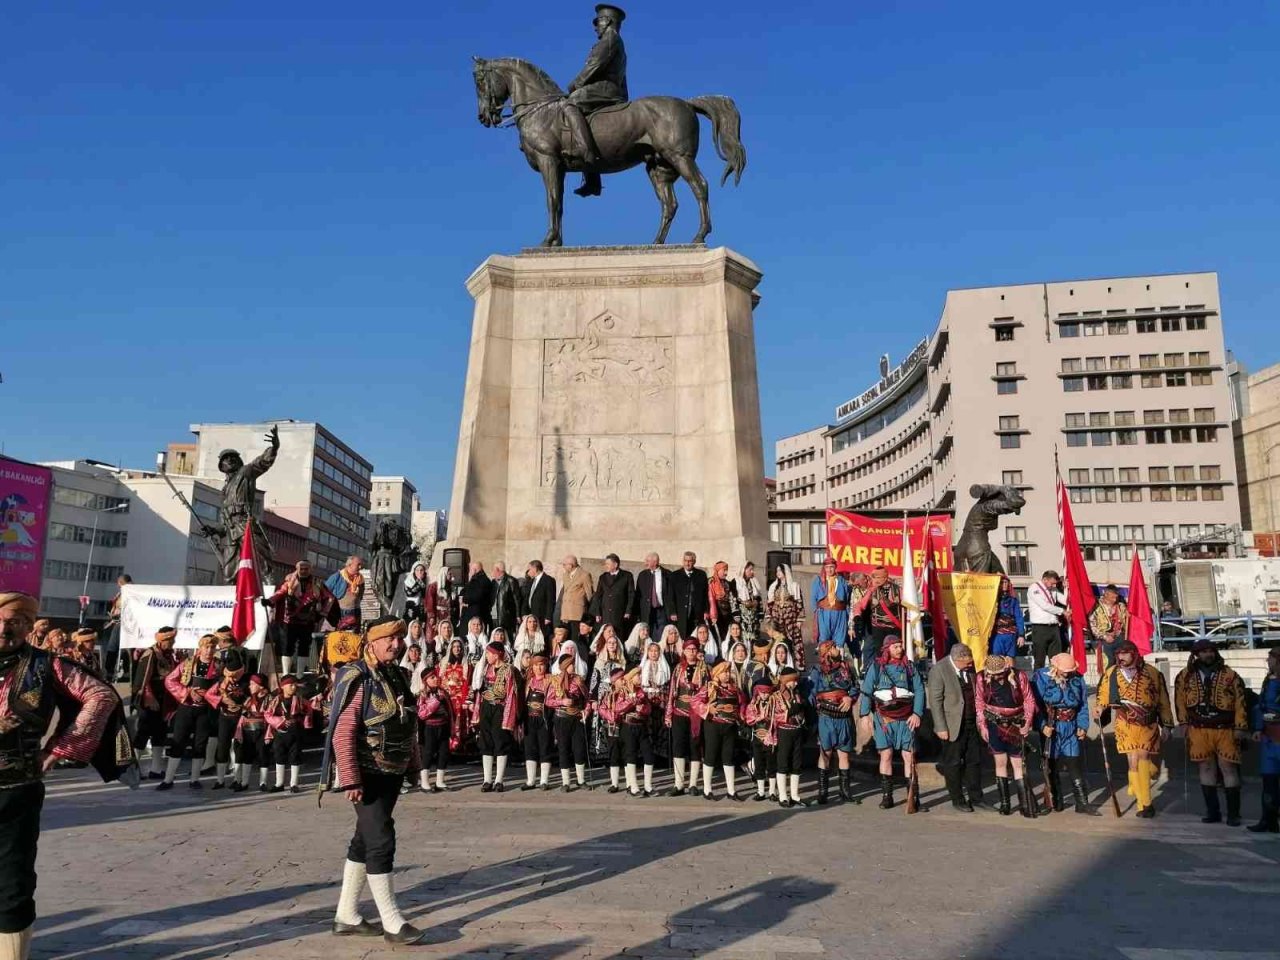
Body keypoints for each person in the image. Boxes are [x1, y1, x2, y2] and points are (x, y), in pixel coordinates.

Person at [0, 593, 122, 960]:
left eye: (16, 621)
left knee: (12, 883)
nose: (6, 628)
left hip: (15, 789)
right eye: (1, 620)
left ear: (28, 626)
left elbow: (101, 697)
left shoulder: (47, 665)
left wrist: (59, 749)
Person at [322, 616, 424, 945]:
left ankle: (347, 915)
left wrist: (413, 764)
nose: (397, 644)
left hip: (392, 771)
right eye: (390, 639)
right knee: (381, 840)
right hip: (366, 773)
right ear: (372, 642)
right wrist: (350, 778)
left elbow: (408, 723)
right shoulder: (357, 676)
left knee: (365, 840)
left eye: (399, 637)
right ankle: (392, 922)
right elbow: (344, 729)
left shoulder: (397, 674)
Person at [1095, 639, 1173, 818]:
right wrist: (1100, 707)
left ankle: (1143, 798)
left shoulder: (1152, 673)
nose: (1121, 657)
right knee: (1133, 761)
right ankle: (1142, 798)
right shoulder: (1111, 673)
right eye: (1118, 654)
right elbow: (1104, 694)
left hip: (1148, 722)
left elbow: (1163, 700)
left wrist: (1167, 725)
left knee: (1142, 758)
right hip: (1124, 722)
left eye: (1125, 653)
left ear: (1135, 654)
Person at [1175, 638, 1249, 826]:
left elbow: (1241, 702)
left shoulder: (1230, 675)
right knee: (1205, 768)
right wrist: (1183, 723)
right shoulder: (1185, 676)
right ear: (1196, 654)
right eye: (1204, 651)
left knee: (1228, 768)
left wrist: (1241, 726)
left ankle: (1234, 814)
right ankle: (1213, 812)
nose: (1208, 654)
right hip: (1198, 728)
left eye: (1211, 651)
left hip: (1225, 728)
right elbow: (1180, 701)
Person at [563, 3, 628, 198]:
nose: (595, 26)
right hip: (610, 89)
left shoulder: (609, 40)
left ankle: (588, 155)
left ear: (607, 21)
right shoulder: (613, 40)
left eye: (598, 21)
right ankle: (593, 181)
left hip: (607, 89)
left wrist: (575, 85)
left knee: (570, 103)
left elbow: (594, 66)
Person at [860, 635, 924, 810]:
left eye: (900, 646)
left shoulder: (910, 667)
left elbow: (919, 689)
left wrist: (917, 713)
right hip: (884, 720)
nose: (899, 649)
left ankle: (913, 796)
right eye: (895, 646)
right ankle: (887, 796)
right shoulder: (877, 667)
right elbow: (866, 690)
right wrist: (864, 714)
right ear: (887, 648)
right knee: (886, 755)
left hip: (906, 719)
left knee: (908, 757)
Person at [927, 642, 987, 813]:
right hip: (952, 725)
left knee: (974, 761)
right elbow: (935, 701)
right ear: (957, 659)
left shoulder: (970, 669)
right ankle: (957, 799)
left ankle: (976, 798)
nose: (970, 665)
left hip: (971, 723)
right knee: (952, 763)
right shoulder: (939, 670)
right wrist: (940, 727)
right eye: (967, 662)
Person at [974, 655, 1037, 817]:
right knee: (1000, 762)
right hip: (994, 723)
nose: (997, 676)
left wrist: (1027, 723)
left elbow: (1029, 700)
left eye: (1000, 673)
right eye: (994, 674)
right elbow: (979, 703)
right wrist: (982, 725)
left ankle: (1025, 804)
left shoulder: (1019, 676)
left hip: (1016, 723)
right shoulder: (981, 677)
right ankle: (1005, 804)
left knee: (1018, 763)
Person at [1032, 652, 1094, 815]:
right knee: (1051, 765)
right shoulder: (1041, 677)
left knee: (1074, 763)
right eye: (1064, 670)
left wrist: (1082, 725)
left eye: (1069, 670)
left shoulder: (1078, 678)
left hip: (1071, 725)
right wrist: (1042, 725)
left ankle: (1082, 802)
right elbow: (1035, 706)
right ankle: (1055, 800)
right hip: (1052, 726)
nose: (1067, 673)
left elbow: (1082, 705)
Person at [159, 634, 220, 790]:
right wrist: (187, 692)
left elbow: (221, 686)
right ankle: (168, 779)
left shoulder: (219, 667)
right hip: (186, 708)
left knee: (200, 744)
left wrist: (207, 695)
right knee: (178, 741)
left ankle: (194, 779)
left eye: (212, 647)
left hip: (204, 710)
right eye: (206, 647)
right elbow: (170, 680)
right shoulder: (187, 664)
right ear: (200, 647)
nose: (209, 650)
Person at [808, 640, 860, 805]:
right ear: (827, 651)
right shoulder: (817, 671)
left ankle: (845, 792)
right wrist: (817, 705)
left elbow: (855, 687)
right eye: (835, 647)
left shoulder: (846, 668)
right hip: (826, 717)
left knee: (844, 753)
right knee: (826, 753)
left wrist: (849, 697)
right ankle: (823, 793)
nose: (839, 649)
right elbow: (812, 692)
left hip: (843, 717)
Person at [269, 561, 336, 676]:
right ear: (297, 569)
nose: (304, 571)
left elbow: (330, 597)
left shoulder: (317, 583)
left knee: (304, 647)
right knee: (287, 646)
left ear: (311, 569)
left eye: (306, 568)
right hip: (289, 620)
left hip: (308, 620)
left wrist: (323, 613)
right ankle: (286, 674)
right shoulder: (290, 581)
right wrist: (270, 600)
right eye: (302, 568)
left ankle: (300, 674)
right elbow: (281, 592)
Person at [692, 660, 746, 801]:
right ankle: (707, 789)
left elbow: (742, 704)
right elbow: (695, 702)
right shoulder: (710, 688)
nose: (726, 675)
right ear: (716, 673)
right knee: (710, 755)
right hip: (713, 725)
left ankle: (731, 791)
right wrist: (707, 709)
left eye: (728, 672)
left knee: (728, 757)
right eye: (723, 672)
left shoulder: (735, 689)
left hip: (730, 726)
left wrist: (740, 715)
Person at [131, 626, 179, 780]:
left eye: (172, 639)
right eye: (168, 640)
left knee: (160, 734)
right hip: (149, 700)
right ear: (161, 640)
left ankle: (156, 769)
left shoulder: (170, 655)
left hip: (163, 700)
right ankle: (133, 769)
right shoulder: (150, 654)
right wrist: (149, 698)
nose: (171, 642)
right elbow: (142, 679)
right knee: (143, 733)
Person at [472, 640, 518, 792]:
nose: (487, 656)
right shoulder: (486, 668)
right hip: (486, 706)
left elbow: (511, 692)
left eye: (489, 653)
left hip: (500, 707)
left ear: (497, 654)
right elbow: (480, 689)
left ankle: (499, 780)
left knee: (500, 741)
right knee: (486, 741)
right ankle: (487, 779)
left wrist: (509, 714)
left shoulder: (508, 669)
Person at [665, 639, 709, 796]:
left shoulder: (704, 669)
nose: (691, 651)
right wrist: (668, 714)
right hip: (679, 712)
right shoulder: (678, 669)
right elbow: (671, 692)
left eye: (694, 649)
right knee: (679, 746)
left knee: (695, 746)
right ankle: (678, 784)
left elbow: (708, 690)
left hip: (696, 714)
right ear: (683, 651)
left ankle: (693, 784)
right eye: (688, 649)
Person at [205, 647, 249, 790]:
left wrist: (243, 706)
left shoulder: (246, 682)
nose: (232, 678)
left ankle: (238, 778)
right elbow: (208, 695)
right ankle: (220, 780)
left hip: (240, 718)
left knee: (238, 748)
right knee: (222, 747)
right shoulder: (221, 682)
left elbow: (252, 698)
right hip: (225, 717)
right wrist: (222, 700)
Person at [547, 651, 591, 791]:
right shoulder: (555, 681)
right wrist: (561, 701)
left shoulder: (578, 680)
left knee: (579, 749)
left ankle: (581, 780)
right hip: (562, 718)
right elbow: (548, 701)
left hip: (577, 717)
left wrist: (586, 711)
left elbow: (587, 699)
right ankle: (566, 782)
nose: (573, 666)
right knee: (563, 749)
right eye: (571, 664)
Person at [265, 673, 314, 793]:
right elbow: (267, 714)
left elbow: (309, 709)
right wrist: (280, 721)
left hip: (296, 731)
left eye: (295, 685)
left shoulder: (300, 699)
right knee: (279, 756)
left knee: (295, 756)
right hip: (281, 732)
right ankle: (279, 783)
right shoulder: (276, 700)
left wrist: (306, 722)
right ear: (283, 686)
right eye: (291, 685)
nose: (294, 687)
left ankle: (294, 784)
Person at [1249, 646, 1280, 833]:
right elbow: (1261, 706)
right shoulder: (1268, 680)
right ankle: (1268, 820)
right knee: (1268, 780)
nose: (1268, 662)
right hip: (1269, 737)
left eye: (1270, 659)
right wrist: (1258, 728)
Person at [768, 666, 809, 808]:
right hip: (784, 731)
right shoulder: (776, 696)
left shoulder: (797, 694)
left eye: (796, 681)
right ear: (785, 681)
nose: (795, 684)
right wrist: (790, 712)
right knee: (783, 762)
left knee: (796, 763)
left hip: (797, 730)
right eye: (793, 681)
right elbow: (772, 716)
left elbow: (802, 712)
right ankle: (783, 796)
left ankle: (795, 795)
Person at [853, 566, 902, 668]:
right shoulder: (871, 590)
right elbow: (861, 605)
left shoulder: (898, 589)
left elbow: (907, 606)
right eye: (874, 577)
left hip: (894, 627)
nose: (876, 580)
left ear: (885, 577)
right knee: (879, 654)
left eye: (878, 577)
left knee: (896, 653)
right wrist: (857, 617)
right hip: (878, 627)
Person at [519, 654, 555, 791]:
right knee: (530, 748)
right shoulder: (528, 681)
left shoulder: (551, 680)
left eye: (541, 665)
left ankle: (544, 781)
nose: (538, 668)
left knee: (545, 748)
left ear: (546, 666)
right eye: (535, 665)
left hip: (544, 719)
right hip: (529, 718)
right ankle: (530, 780)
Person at [416, 668, 453, 793]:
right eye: (432, 677)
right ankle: (425, 783)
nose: (436, 679)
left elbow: (450, 711)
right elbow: (422, 714)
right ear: (425, 681)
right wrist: (435, 702)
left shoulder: (443, 692)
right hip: (429, 728)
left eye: (436, 676)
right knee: (427, 753)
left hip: (443, 727)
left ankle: (440, 781)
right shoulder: (422, 695)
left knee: (443, 753)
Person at [234, 673, 271, 792]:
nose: (250, 686)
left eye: (253, 684)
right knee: (247, 756)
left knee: (263, 755)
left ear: (260, 686)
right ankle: (244, 782)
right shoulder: (249, 700)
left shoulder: (269, 699)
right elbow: (242, 717)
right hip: (248, 730)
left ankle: (263, 782)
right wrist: (238, 733)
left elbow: (270, 716)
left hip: (262, 730)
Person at [638, 639, 671, 774]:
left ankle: (661, 758)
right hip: (647, 699)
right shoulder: (642, 666)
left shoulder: (664, 666)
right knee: (647, 728)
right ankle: (646, 757)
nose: (653, 653)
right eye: (650, 651)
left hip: (661, 699)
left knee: (661, 727)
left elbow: (668, 685)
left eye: (656, 651)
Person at [742, 678, 777, 801]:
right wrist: (760, 717)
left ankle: (772, 792)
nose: (764, 695)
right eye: (762, 692)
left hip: (770, 738)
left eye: (767, 692)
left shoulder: (774, 703)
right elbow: (749, 719)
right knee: (759, 765)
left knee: (772, 765)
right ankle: (761, 791)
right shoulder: (753, 704)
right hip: (757, 738)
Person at [766, 564, 805, 670]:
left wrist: (799, 619)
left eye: (780, 571)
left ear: (785, 572)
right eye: (777, 571)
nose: (778, 573)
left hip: (791, 619)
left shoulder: (794, 585)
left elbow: (799, 602)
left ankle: (797, 667)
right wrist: (769, 616)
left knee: (795, 641)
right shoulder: (774, 586)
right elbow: (770, 603)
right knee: (778, 641)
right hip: (777, 618)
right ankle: (776, 667)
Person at [438, 638, 472, 754]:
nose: (457, 649)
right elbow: (440, 680)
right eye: (455, 647)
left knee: (458, 722)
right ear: (451, 649)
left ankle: (458, 747)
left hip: (459, 698)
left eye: (459, 647)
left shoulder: (466, 664)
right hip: (446, 698)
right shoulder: (444, 663)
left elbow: (467, 683)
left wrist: (464, 699)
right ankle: (445, 748)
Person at [1027, 571, 1067, 668]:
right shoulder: (1034, 588)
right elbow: (1044, 605)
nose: (1053, 585)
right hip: (1040, 628)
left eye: (1055, 583)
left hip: (1054, 627)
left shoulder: (1053, 589)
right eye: (1052, 583)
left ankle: (1055, 681)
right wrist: (1062, 611)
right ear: (1045, 579)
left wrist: (1067, 588)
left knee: (1056, 659)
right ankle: (1037, 681)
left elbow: (1066, 600)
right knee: (1039, 659)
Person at [591, 553, 635, 640]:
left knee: (618, 637)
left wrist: (628, 611)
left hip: (620, 613)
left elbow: (631, 594)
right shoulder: (603, 577)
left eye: (608, 564)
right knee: (606, 636)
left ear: (615, 564)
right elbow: (598, 596)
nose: (605, 566)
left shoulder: (627, 576)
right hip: (605, 613)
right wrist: (597, 613)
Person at [810, 558, 851, 648]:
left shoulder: (842, 580)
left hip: (840, 614)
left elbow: (847, 598)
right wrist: (816, 613)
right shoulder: (819, 580)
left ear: (835, 567)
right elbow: (813, 598)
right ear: (824, 568)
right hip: (824, 614)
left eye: (832, 567)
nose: (829, 570)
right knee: (824, 639)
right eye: (827, 567)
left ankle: (839, 660)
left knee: (839, 640)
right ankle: (825, 660)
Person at [670, 552, 710, 640]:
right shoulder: (675, 575)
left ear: (694, 562)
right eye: (685, 561)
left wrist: (706, 611)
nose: (687, 563)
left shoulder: (701, 575)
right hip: (681, 614)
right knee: (682, 636)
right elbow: (671, 595)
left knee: (696, 637)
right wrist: (673, 612)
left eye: (690, 561)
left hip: (696, 613)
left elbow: (705, 594)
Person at [635, 553, 673, 641]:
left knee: (662, 634)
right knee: (647, 633)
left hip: (662, 610)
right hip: (647, 610)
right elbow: (638, 595)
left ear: (655, 562)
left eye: (647, 561)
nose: (645, 563)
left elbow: (671, 594)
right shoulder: (642, 575)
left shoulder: (667, 574)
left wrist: (672, 611)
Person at [556, 555, 595, 641]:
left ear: (571, 565)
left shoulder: (584, 575)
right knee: (565, 637)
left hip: (577, 612)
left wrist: (587, 610)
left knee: (575, 638)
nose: (563, 566)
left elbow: (590, 594)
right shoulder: (565, 575)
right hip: (566, 612)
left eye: (564, 564)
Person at [1090, 584, 1129, 668]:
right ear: (1106, 594)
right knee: (1108, 663)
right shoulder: (1096, 606)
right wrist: (1104, 636)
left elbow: (1127, 622)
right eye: (1112, 597)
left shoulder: (1121, 606)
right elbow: (1092, 626)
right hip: (1104, 640)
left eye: (1116, 597)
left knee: (1122, 662)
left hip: (1120, 638)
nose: (1115, 599)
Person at [326, 555, 367, 632]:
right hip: (341, 612)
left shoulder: (361, 579)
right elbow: (324, 591)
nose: (360, 567)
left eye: (361, 565)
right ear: (349, 565)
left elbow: (361, 596)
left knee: (353, 637)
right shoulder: (337, 576)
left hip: (356, 612)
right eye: (358, 564)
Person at [989, 576, 1026, 659]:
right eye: (1002, 582)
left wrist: (1021, 635)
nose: (1004, 584)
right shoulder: (992, 599)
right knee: (996, 660)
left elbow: (1019, 617)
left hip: (1011, 634)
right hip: (997, 635)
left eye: (1006, 582)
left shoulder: (1013, 600)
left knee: (1010, 659)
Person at [103, 573, 131, 680]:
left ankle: (111, 670)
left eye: (119, 583)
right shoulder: (123, 592)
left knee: (114, 646)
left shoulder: (129, 591)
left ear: (121, 583)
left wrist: (117, 615)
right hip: (116, 621)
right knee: (114, 646)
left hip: (122, 622)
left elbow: (126, 608)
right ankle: (112, 669)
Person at [707, 561, 739, 642]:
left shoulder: (727, 583)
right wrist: (713, 616)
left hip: (727, 615)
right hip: (717, 614)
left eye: (726, 570)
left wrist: (735, 614)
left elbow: (732, 599)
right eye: (724, 570)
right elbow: (711, 599)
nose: (726, 573)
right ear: (718, 570)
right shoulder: (711, 582)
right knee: (717, 636)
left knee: (727, 636)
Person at [489, 562, 523, 638]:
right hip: (493, 616)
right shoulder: (493, 582)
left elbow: (517, 599)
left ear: (497, 570)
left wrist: (518, 615)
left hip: (506, 615)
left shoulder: (511, 581)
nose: (492, 572)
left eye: (493, 570)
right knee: (494, 637)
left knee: (506, 637)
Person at [734, 562, 764, 646]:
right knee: (743, 638)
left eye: (753, 570)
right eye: (750, 570)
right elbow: (733, 598)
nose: (752, 572)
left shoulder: (754, 582)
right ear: (744, 570)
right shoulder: (736, 582)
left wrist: (760, 613)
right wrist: (736, 614)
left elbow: (759, 598)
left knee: (754, 638)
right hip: (742, 616)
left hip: (754, 617)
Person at [525, 560, 557, 637]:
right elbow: (528, 597)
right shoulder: (532, 580)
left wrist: (548, 617)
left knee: (541, 637)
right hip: (531, 615)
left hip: (542, 616)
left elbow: (551, 600)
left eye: (529, 569)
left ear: (535, 568)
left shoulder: (548, 580)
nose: (528, 572)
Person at [425, 567, 459, 638]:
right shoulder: (434, 586)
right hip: (438, 615)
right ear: (444, 574)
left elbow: (455, 603)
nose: (451, 576)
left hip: (449, 616)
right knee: (436, 635)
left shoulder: (451, 587)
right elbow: (430, 602)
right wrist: (432, 617)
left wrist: (456, 616)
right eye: (449, 574)